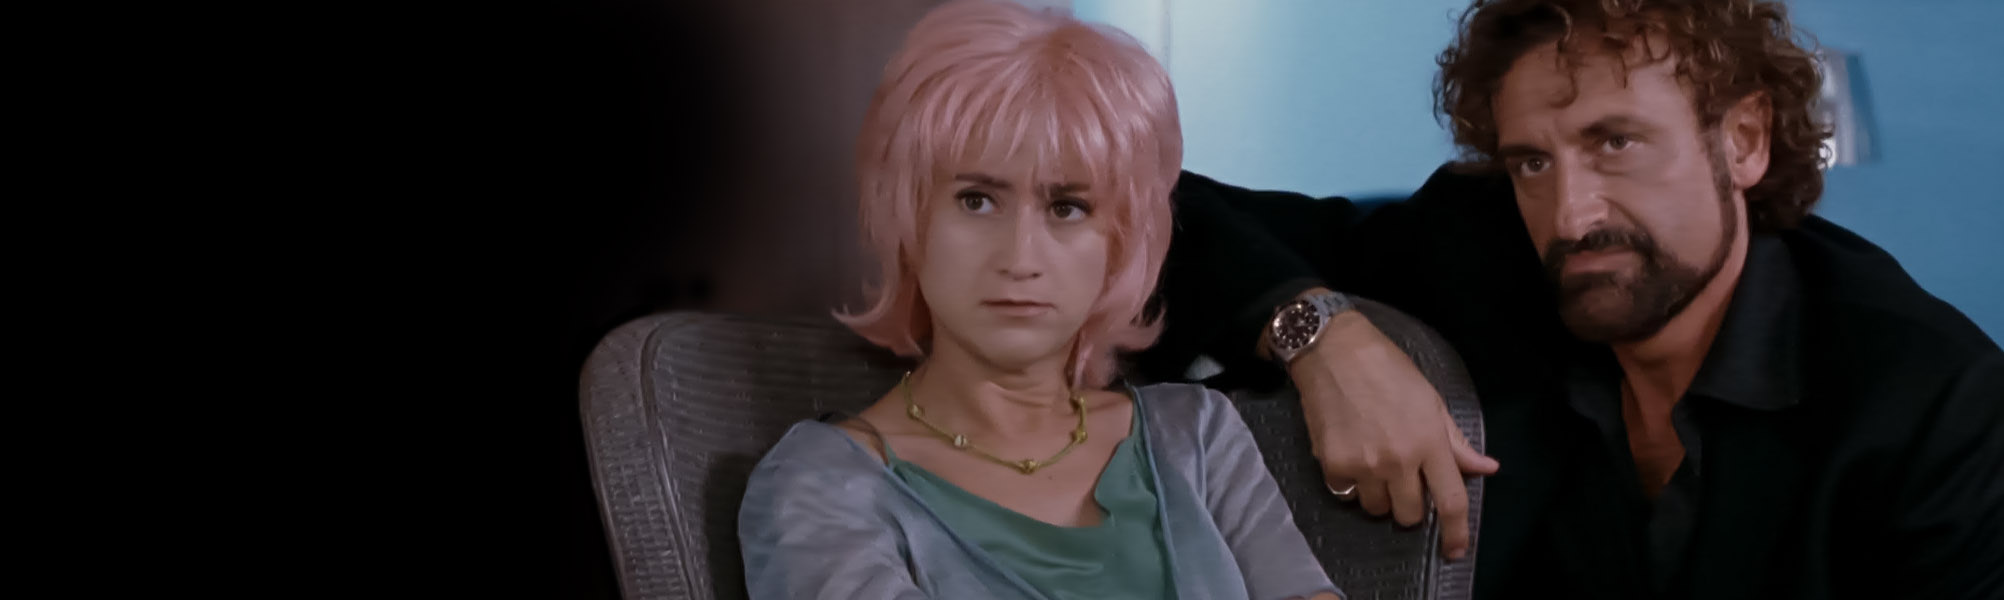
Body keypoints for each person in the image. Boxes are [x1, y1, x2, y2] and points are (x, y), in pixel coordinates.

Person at [1141, 0, 2004, 598]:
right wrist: (1321, 335)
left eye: (1616, 143)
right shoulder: (1488, 247)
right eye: (1532, 162)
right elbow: (1154, 213)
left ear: (1744, 141)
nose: (1570, 215)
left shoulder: (1934, 403)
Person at [737, 2, 1342, 598]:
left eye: (1066, 208)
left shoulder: (1199, 436)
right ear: (910, 219)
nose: (1020, 257)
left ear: (1120, 242)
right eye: (976, 200)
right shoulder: (823, 483)